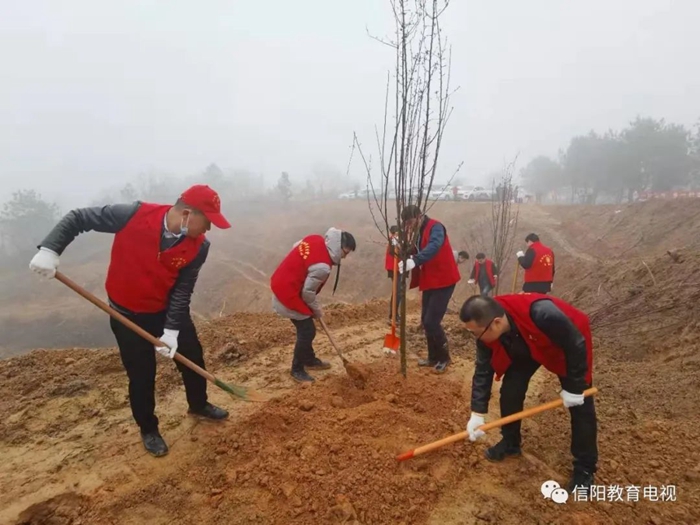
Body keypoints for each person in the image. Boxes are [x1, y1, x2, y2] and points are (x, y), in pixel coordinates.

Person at [28, 185, 231, 458]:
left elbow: (182, 290)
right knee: (141, 375)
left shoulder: (199, 247)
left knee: (193, 358)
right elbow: (79, 218)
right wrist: (51, 249)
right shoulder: (133, 215)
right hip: (125, 314)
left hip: (166, 311)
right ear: (186, 214)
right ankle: (148, 428)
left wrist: (171, 330)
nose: (207, 230)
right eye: (206, 222)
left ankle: (199, 404)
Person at [460, 294, 597, 492]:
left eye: (476, 333)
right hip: (526, 342)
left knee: (581, 406)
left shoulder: (543, 314)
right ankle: (510, 442)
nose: (475, 338)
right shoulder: (487, 329)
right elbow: (483, 370)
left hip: (564, 344)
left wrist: (575, 387)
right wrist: (477, 413)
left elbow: (575, 343)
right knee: (511, 390)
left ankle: (585, 468)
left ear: (496, 323)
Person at [271, 228, 356, 383]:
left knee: (307, 327)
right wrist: (317, 311)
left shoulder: (316, 239)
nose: (345, 256)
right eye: (346, 252)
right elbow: (308, 293)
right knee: (307, 330)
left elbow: (296, 246)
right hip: (287, 294)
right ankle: (297, 369)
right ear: (339, 246)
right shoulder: (323, 267)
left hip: (282, 282)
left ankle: (309, 359)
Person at [398, 205, 460, 373]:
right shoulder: (418, 231)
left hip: (444, 279)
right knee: (425, 320)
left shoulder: (436, 227)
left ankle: (444, 358)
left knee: (432, 321)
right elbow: (417, 248)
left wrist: (416, 260)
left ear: (419, 216)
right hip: (431, 280)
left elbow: (434, 246)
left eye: (410, 222)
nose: (409, 227)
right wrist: (404, 251)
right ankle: (433, 357)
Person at [385, 225, 403, 326]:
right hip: (394, 268)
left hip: (397, 267)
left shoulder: (397, 241)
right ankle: (393, 316)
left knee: (398, 291)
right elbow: (395, 253)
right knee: (397, 291)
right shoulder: (393, 240)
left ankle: (395, 315)